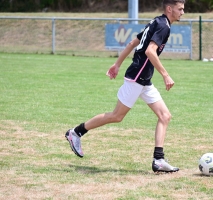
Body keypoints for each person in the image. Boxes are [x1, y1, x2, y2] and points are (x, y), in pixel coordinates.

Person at [65, 0, 185, 173]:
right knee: (116, 116)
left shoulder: (156, 21)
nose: (182, 12)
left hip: (144, 79)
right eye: (180, 9)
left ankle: (158, 160)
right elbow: (150, 51)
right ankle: (76, 133)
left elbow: (132, 43)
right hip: (137, 77)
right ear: (169, 8)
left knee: (165, 116)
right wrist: (165, 75)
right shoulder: (163, 26)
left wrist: (117, 64)